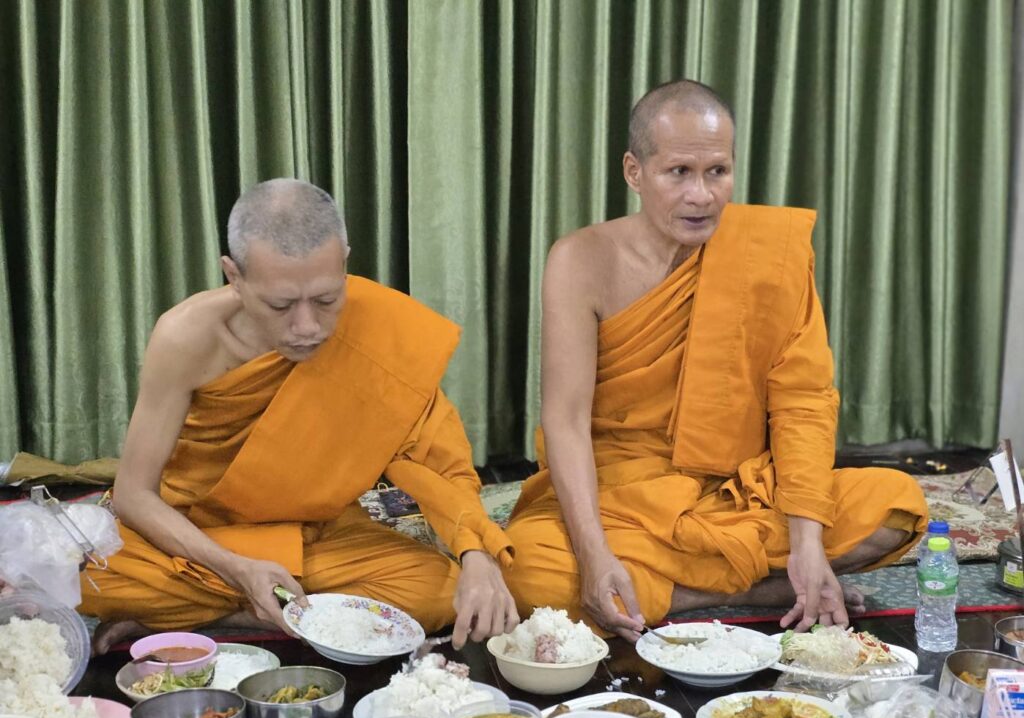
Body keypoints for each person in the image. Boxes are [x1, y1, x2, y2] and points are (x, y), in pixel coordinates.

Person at [505, 80, 927, 641]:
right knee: (531, 568)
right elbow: (565, 419)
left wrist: (806, 541)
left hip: (737, 491)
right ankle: (752, 591)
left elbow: (802, 401)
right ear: (634, 172)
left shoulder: (767, 253)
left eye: (717, 172)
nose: (701, 195)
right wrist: (595, 553)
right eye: (679, 172)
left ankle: (688, 591)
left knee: (896, 505)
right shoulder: (580, 260)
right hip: (622, 496)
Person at [82, 178, 517, 651]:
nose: (307, 327)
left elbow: (439, 464)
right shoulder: (186, 337)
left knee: (439, 589)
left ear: (343, 262)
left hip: (318, 535)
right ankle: (271, 607)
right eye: (281, 304)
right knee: (84, 574)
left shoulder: (379, 328)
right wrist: (237, 568)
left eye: (326, 300)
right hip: (205, 535)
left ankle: (217, 616)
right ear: (233, 275)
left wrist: (476, 555)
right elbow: (134, 495)